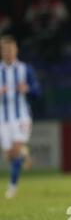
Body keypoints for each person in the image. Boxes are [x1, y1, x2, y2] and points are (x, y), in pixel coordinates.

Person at [0, 35, 41, 199]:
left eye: (11, 50)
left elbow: (38, 92)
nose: (9, 53)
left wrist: (28, 89)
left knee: (15, 150)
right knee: (10, 155)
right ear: (2, 52)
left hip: (21, 117)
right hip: (3, 118)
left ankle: (12, 187)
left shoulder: (25, 69)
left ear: (16, 50)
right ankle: (24, 155)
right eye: (5, 50)